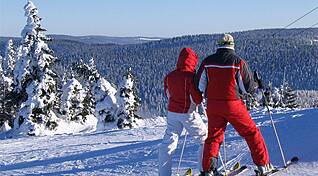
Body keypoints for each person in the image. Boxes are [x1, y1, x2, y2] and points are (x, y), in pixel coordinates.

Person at [196, 34, 274, 176]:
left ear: (219, 45)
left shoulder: (207, 62)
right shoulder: (238, 62)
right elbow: (247, 89)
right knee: (251, 133)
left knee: (213, 137)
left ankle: (208, 170)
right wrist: (257, 83)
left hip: (213, 104)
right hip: (233, 103)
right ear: (232, 45)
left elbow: (200, 86)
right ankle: (263, 165)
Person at [159, 48, 207, 176]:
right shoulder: (191, 77)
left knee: (168, 144)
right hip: (188, 113)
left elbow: (168, 94)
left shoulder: (169, 76)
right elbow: (196, 99)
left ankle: (164, 173)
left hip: (172, 113)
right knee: (205, 139)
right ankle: (205, 170)